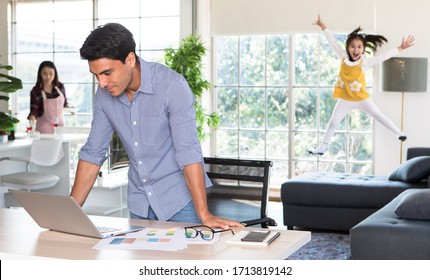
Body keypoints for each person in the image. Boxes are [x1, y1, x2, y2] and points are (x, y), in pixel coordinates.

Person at [71, 23, 242, 229]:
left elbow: (188, 152)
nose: (102, 83)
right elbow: (93, 153)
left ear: (130, 59)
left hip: (179, 203)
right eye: (96, 75)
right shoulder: (104, 96)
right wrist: (70, 213)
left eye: (107, 73)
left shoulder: (172, 87)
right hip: (139, 204)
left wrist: (204, 214)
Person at [309, 15, 415, 155]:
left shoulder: (364, 62)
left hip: (361, 99)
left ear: (363, 50)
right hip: (346, 98)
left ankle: (398, 133)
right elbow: (333, 42)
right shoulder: (342, 57)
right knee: (333, 122)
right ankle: (323, 147)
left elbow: (382, 57)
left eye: (359, 47)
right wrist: (324, 27)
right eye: (353, 46)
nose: (356, 49)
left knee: (378, 115)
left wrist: (400, 48)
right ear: (348, 48)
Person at [28, 61, 71, 134]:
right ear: (40, 74)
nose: (48, 77)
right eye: (45, 74)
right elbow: (33, 112)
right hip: (43, 130)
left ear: (55, 74)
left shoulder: (60, 86)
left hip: (60, 128)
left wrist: (71, 109)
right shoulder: (36, 91)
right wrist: (30, 127)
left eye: (51, 74)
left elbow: (65, 104)